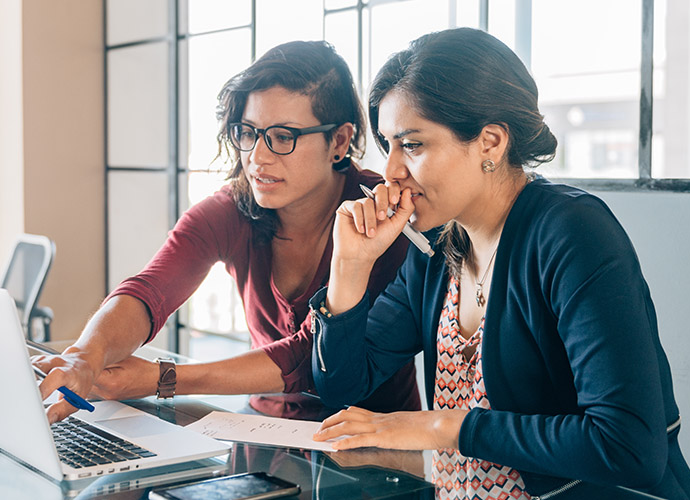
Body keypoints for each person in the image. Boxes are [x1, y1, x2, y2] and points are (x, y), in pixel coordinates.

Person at [310, 28, 690, 500]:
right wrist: (350, 267)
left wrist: (444, 426)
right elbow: (342, 384)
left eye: (412, 145)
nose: (391, 170)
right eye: (387, 145)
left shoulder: (572, 232)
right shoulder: (439, 247)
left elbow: (627, 447)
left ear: (491, 143)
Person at [33, 40, 420, 426]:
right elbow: (150, 289)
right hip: (261, 426)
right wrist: (85, 356)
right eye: (248, 132)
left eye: (283, 137)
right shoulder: (235, 207)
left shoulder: (384, 218)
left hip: (373, 445)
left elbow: (307, 358)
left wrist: (162, 378)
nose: (257, 157)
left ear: (338, 141)